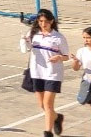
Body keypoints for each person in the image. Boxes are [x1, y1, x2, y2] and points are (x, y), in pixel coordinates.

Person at [21, 8, 69, 137]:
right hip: (37, 72)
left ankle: (48, 132)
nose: (43, 24)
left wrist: (59, 57)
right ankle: (57, 117)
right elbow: (26, 49)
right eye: (41, 21)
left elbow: (66, 56)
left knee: (48, 105)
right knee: (42, 105)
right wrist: (25, 41)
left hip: (53, 74)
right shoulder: (33, 34)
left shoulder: (58, 38)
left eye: (46, 21)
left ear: (52, 21)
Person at [69, 26, 91, 137]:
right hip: (89, 86)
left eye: (88, 38)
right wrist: (75, 61)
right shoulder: (82, 51)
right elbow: (75, 68)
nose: (86, 40)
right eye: (84, 38)